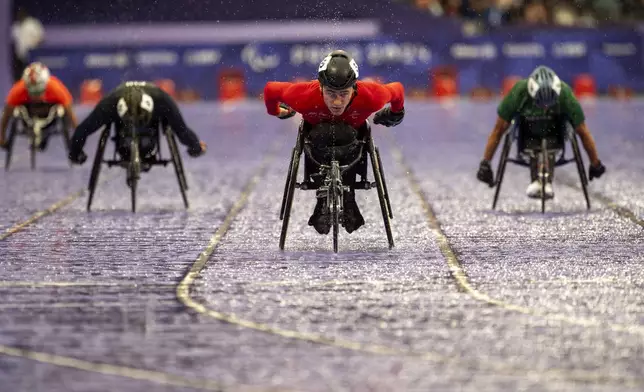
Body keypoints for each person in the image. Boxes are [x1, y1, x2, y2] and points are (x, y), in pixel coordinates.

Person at [264, 50, 405, 235]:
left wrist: (395, 113)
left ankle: (348, 197)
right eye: (330, 93)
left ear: (354, 88)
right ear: (320, 87)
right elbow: (270, 90)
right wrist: (276, 112)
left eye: (344, 94)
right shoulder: (303, 95)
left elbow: (397, 90)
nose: (337, 102)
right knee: (324, 132)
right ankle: (323, 198)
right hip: (316, 142)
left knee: (346, 133)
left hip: (354, 141)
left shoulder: (371, 96)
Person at [477, 65, 606, 199]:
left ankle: (543, 181)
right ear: (531, 93)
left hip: (556, 134)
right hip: (526, 136)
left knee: (559, 134)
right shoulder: (518, 93)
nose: (545, 108)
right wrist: (485, 163)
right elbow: (498, 130)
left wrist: (595, 163)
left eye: (549, 104)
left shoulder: (565, 94)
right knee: (515, 130)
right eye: (541, 104)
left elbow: (583, 132)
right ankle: (538, 180)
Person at [68, 81, 207, 174]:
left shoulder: (163, 101)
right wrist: (195, 148)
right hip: (123, 136)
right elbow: (83, 129)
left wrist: (76, 154)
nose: (136, 124)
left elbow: (181, 130)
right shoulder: (109, 104)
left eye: (140, 119)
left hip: (149, 131)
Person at [0, 62, 78, 151]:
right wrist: (2, 137)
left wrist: (78, 138)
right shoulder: (18, 90)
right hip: (28, 118)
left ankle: (43, 138)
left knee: (64, 112)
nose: (36, 97)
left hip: (50, 119)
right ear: (26, 85)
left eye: (38, 91)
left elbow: (71, 114)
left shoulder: (56, 88)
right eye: (33, 92)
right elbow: (6, 116)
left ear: (45, 84)